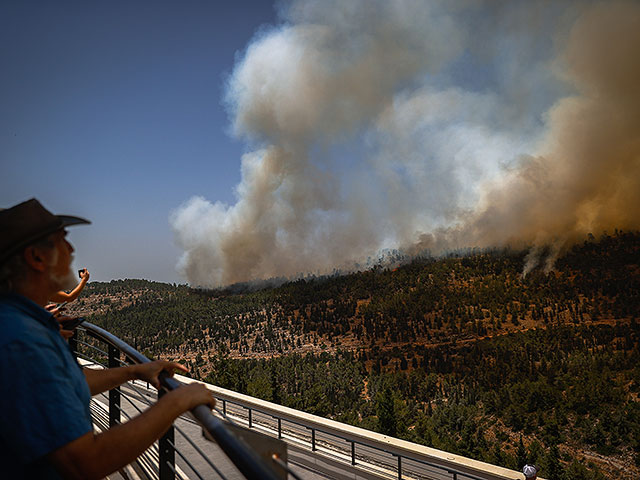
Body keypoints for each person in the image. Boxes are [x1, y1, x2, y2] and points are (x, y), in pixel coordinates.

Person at [0, 198, 216, 479]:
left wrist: (135, 370)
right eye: (63, 240)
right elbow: (83, 463)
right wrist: (177, 401)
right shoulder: (24, 342)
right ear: (37, 258)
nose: (72, 249)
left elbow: (65, 382)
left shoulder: (23, 324)